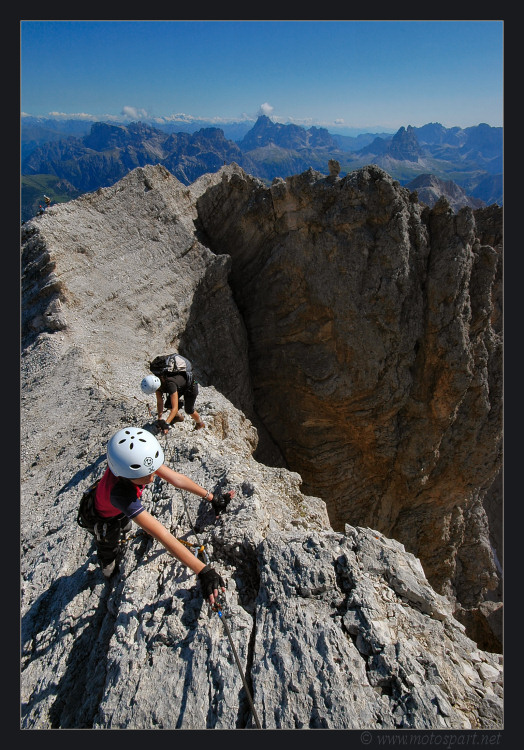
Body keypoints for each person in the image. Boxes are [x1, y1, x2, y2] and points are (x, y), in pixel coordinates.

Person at [88, 426, 225, 605]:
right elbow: (162, 534)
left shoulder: (134, 465)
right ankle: (106, 563)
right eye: (146, 474)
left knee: (126, 523)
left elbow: (176, 479)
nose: (153, 477)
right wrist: (203, 570)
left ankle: (122, 525)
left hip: (114, 507)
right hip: (101, 517)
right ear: (127, 474)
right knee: (109, 544)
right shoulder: (121, 494)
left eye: (152, 470)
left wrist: (212, 498)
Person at [141, 355, 205, 434]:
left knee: (189, 409)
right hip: (180, 387)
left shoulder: (170, 384)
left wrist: (166, 424)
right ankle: (178, 417)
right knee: (168, 404)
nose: (156, 391)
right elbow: (160, 402)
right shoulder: (157, 384)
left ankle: (200, 423)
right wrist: (160, 419)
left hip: (191, 387)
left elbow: (175, 408)